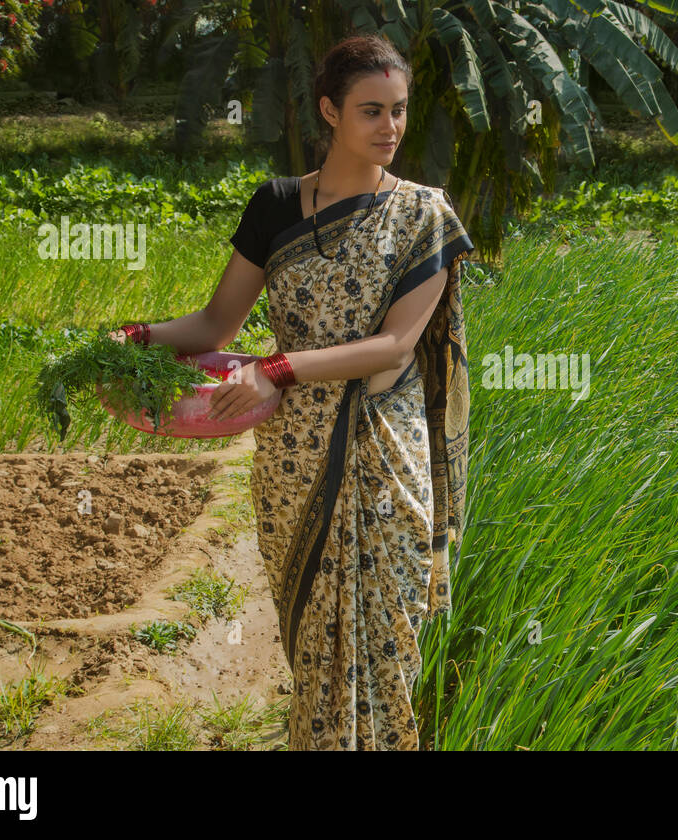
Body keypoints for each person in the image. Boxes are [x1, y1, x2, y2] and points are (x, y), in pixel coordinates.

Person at [110, 34, 474, 749]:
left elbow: (395, 345)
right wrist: (137, 338)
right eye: (372, 111)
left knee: (388, 640)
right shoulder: (276, 205)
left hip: (385, 454)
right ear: (329, 111)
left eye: (399, 111)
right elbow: (218, 321)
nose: (390, 128)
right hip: (293, 459)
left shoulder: (425, 216)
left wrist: (278, 369)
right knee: (311, 638)